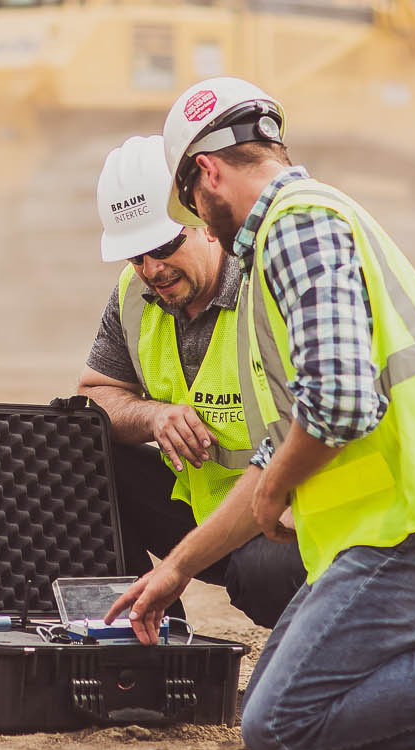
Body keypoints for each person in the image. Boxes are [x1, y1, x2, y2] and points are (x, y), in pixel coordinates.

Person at [106, 79, 415, 750]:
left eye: (187, 199)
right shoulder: (296, 231)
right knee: (268, 706)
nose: (195, 214)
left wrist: (275, 488)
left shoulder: (296, 226)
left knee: (282, 721)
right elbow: (288, 434)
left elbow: (338, 405)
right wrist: (179, 569)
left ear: (208, 172)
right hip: (388, 529)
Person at [78, 135, 306, 629]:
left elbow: (315, 427)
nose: (151, 269)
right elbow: (95, 396)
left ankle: (330, 646)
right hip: (204, 515)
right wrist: (153, 415)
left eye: (162, 247)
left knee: (263, 575)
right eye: (135, 256)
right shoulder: (135, 294)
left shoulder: (266, 283)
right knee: (79, 452)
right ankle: (145, 635)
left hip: (288, 518)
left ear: (204, 221)